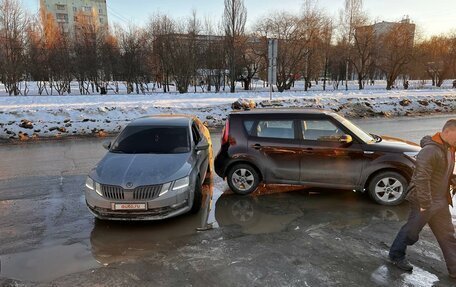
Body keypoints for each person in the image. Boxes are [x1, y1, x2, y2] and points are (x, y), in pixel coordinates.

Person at [389, 119, 456, 279]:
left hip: (440, 201)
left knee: (447, 236)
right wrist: (425, 205)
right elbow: (421, 178)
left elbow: (440, 171)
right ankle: (396, 255)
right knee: (412, 231)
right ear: (446, 132)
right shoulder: (430, 151)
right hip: (424, 200)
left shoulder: (448, 148)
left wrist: (452, 178)